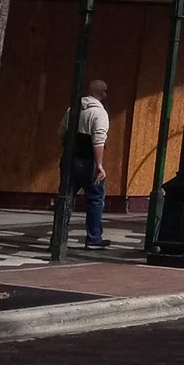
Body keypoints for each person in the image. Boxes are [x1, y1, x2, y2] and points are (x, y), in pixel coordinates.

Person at [70, 79, 110, 248]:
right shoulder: (99, 114)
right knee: (94, 199)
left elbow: (61, 132)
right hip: (88, 160)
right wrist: (99, 164)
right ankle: (94, 238)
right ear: (102, 93)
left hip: (70, 158)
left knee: (65, 197)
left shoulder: (73, 109)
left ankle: (58, 237)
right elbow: (98, 141)